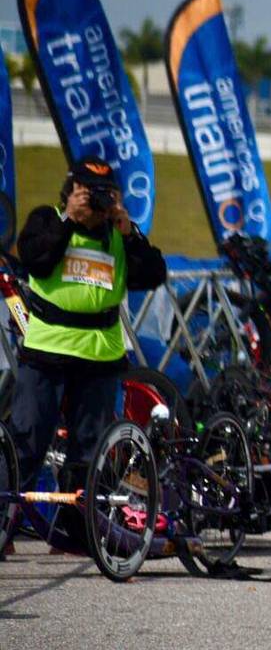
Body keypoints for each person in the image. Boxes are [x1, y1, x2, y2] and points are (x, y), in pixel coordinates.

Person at [9, 156, 168, 496]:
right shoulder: (49, 218)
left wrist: (130, 234)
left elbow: (154, 274)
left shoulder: (118, 235)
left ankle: (79, 532)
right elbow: (35, 259)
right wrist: (69, 218)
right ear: (71, 190)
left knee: (89, 453)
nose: (97, 202)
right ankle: (7, 522)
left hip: (99, 357)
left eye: (105, 194)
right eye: (89, 192)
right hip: (47, 351)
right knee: (27, 441)